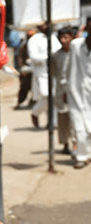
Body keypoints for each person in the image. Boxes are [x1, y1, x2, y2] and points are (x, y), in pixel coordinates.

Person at [67, 18, 91, 169]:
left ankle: (86, 153)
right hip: (75, 92)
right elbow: (68, 68)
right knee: (79, 129)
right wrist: (63, 89)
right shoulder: (76, 45)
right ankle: (82, 157)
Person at [28, 23, 62, 128]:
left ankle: (52, 122)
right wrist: (48, 58)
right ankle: (35, 113)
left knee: (55, 96)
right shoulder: (34, 39)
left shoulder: (54, 37)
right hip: (42, 72)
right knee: (47, 96)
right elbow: (33, 56)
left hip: (55, 71)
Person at [53, 27, 76, 156]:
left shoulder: (77, 53)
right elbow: (54, 73)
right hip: (61, 92)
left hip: (76, 91)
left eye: (66, 37)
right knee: (63, 119)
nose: (63, 40)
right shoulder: (56, 55)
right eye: (61, 38)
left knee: (76, 119)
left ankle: (75, 144)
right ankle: (65, 144)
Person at [14, 30, 35, 110]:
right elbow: (20, 59)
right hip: (26, 71)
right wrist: (22, 69)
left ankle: (33, 101)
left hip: (35, 70)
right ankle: (20, 102)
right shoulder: (24, 47)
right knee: (24, 87)